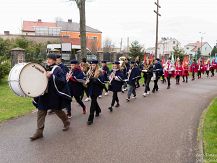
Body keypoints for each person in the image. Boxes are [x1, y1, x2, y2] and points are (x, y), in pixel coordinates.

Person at [31, 54, 71, 141]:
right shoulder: (44, 68)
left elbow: (62, 81)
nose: (48, 60)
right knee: (41, 111)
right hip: (44, 94)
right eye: (47, 59)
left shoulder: (58, 69)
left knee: (57, 110)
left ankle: (66, 121)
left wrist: (52, 76)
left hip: (53, 95)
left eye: (50, 59)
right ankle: (39, 132)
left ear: (54, 60)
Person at [86, 60, 105, 125]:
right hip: (91, 89)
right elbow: (88, 79)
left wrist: (94, 80)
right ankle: (98, 110)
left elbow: (102, 83)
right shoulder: (90, 71)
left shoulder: (100, 72)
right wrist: (87, 80)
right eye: (91, 65)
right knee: (94, 101)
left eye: (94, 65)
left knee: (93, 102)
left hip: (96, 90)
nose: (92, 66)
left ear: (96, 65)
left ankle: (90, 118)